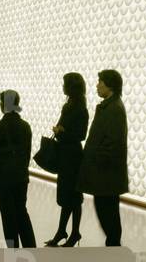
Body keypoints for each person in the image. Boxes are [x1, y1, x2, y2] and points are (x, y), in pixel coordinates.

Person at [76, 70, 128, 247]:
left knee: (108, 212)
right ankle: (113, 246)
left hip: (105, 173)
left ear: (110, 85)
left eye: (101, 82)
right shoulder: (110, 106)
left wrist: (95, 161)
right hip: (104, 172)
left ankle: (114, 248)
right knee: (107, 211)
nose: (97, 85)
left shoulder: (113, 109)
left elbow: (112, 142)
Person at [0, 90, 35, 249]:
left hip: (2, 178)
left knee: (8, 217)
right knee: (21, 213)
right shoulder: (25, 126)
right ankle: (31, 248)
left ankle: (13, 251)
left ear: (5, 105)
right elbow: (27, 153)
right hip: (20, 177)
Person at [44, 73, 89, 247]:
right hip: (67, 155)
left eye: (64, 84)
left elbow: (81, 135)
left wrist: (62, 132)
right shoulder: (70, 106)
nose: (62, 86)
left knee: (73, 196)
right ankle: (65, 231)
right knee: (68, 196)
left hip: (72, 157)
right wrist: (60, 130)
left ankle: (71, 232)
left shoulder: (79, 108)